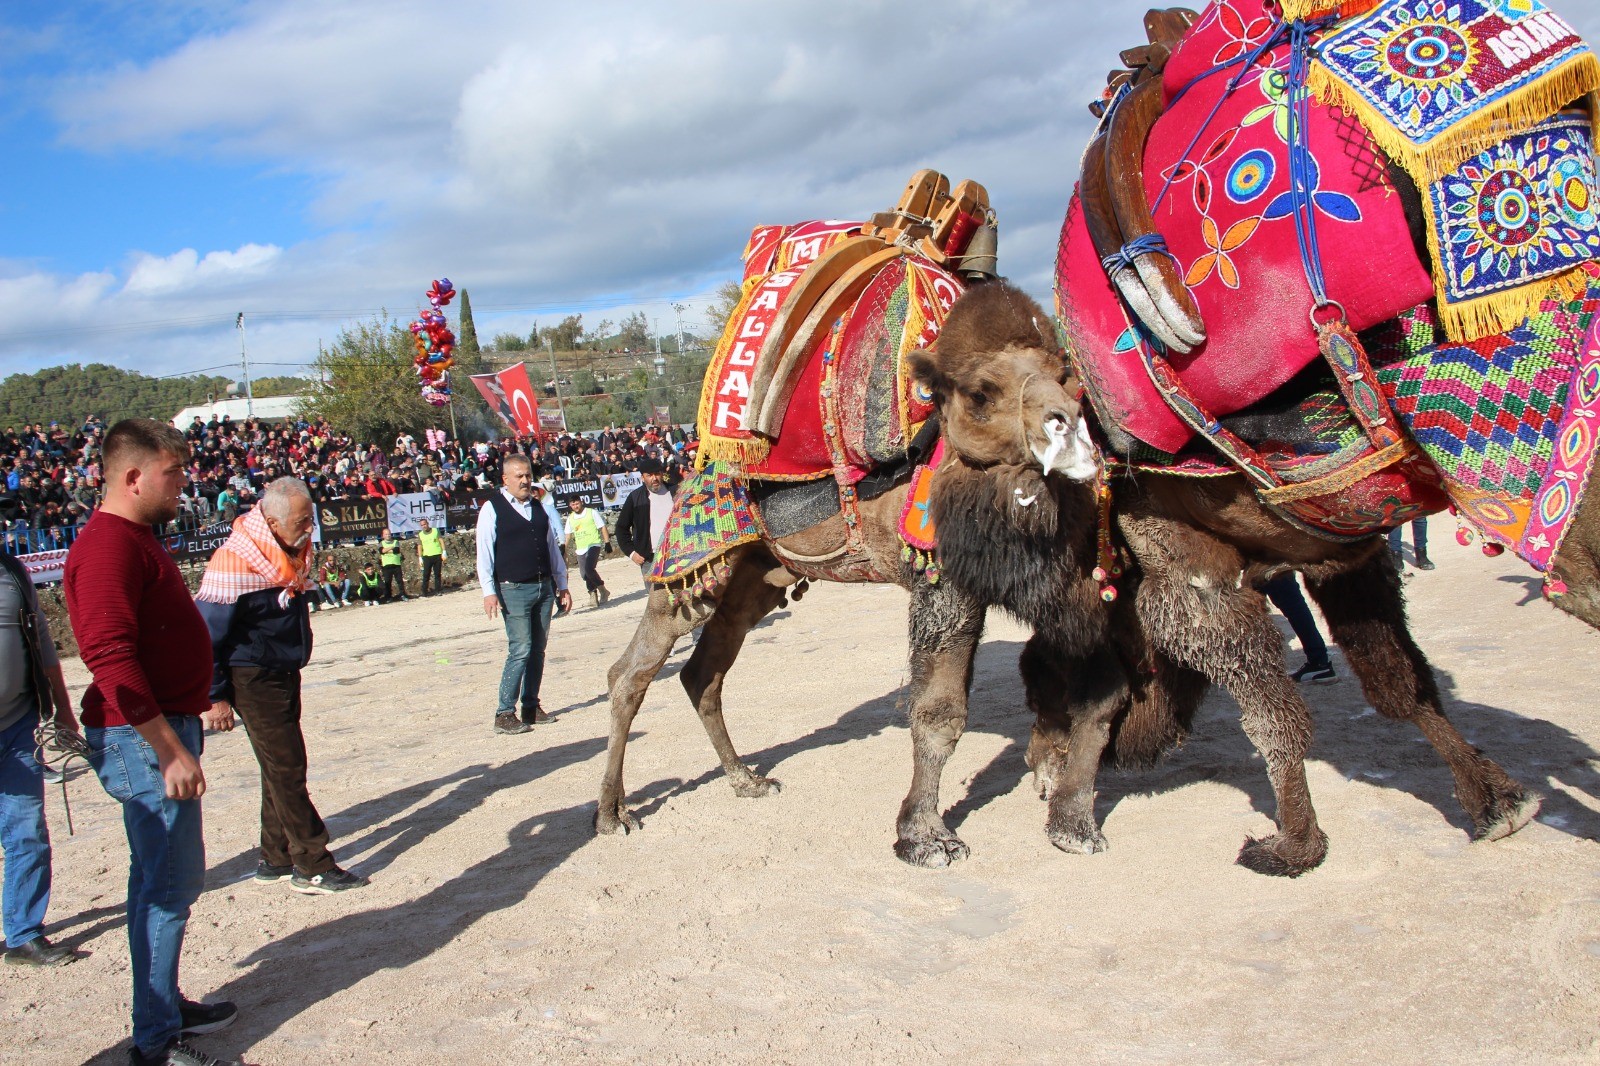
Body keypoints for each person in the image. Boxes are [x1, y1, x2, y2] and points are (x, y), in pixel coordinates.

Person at [63, 418, 241, 1066]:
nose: (184, 485)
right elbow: (110, 659)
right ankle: (157, 1041)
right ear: (134, 476)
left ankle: (160, 1004)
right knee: (170, 883)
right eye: (173, 473)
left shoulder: (132, 536)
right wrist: (168, 747)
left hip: (155, 728)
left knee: (156, 881)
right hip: (143, 737)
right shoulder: (109, 545)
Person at [196, 478, 368, 897]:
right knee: (288, 766)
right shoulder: (235, 561)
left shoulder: (287, 553)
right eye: (301, 521)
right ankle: (312, 862)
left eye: (311, 518)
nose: (309, 528)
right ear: (271, 521)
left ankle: (275, 856)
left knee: (278, 765)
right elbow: (206, 636)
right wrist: (214, 696)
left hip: (282, 669)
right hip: (251, 675)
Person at [0, 550, 83, 968]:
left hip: (15, 723)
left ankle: (23, 932)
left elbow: (42, 639)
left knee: (27, 830)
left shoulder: (12, 570)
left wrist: (63, 709)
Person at [476, 454, 571, 735]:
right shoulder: (492, 509)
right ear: (505, 479)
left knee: (538, 650)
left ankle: (530, 705)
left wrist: (562, 584)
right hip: (512, 588)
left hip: (543, 587)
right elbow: (484, 552)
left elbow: (552, 548)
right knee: (520, 649)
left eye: (528, 475)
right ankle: (504, 712)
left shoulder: (539, 507)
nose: (525, 480)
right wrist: (488, 591)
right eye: (519, 476)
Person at [1263, 573, 1336, 684]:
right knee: (1279, 592)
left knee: (1283, 591)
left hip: (1267, 560)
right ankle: (1319, 661)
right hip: (1270, 561)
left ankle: (1319, 661)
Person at [615, 458, 673, 585]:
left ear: (662, 474)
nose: (654, 478)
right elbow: (621, 528)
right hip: (649, 559)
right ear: (642, 478)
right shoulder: (635, 498)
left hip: (675, 555)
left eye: (657, 473)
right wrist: (631, 553)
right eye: (649, 475)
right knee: (656, 602)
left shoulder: (674, 492)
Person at [563, 496, 610, 608]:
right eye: (573, 505)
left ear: (581, 502)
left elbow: (602, 527)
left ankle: (602, 590)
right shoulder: (571, 518)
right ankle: (593, 594)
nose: (575, 506)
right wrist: (563, 549)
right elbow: (568, 535)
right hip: (580, 548)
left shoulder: (591, 512)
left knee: (589, 568)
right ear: (570, 506)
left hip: (593, 544)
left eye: (577, 503)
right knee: (584, 574)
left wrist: (607, 542)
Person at [416, 518, 446, 596]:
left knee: (437, 574)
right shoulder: (420, 534)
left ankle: (437, 590)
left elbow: (441, 540)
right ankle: (424, 592)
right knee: (426, 574)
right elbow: (419, 546)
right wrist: (420, 557)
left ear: (428, 523)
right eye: (422, 525)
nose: (424, 526)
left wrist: (444, 551)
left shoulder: (436, 531)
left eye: (425, 524)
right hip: (427, 556)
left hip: (437, 555)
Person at [378, 527, 409, 602]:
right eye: (386, 534)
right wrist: (391, 548)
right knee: (387, 582)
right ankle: (388, 597)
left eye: (389, 534)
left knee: (400, 581)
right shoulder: (381, 543)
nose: (388, 535)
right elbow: (381, 551)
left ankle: (402, 595)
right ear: (383, 535)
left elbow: (396, 550)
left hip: (396, 564)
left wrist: (387, 550)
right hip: (386, 565)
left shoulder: (396, 541)